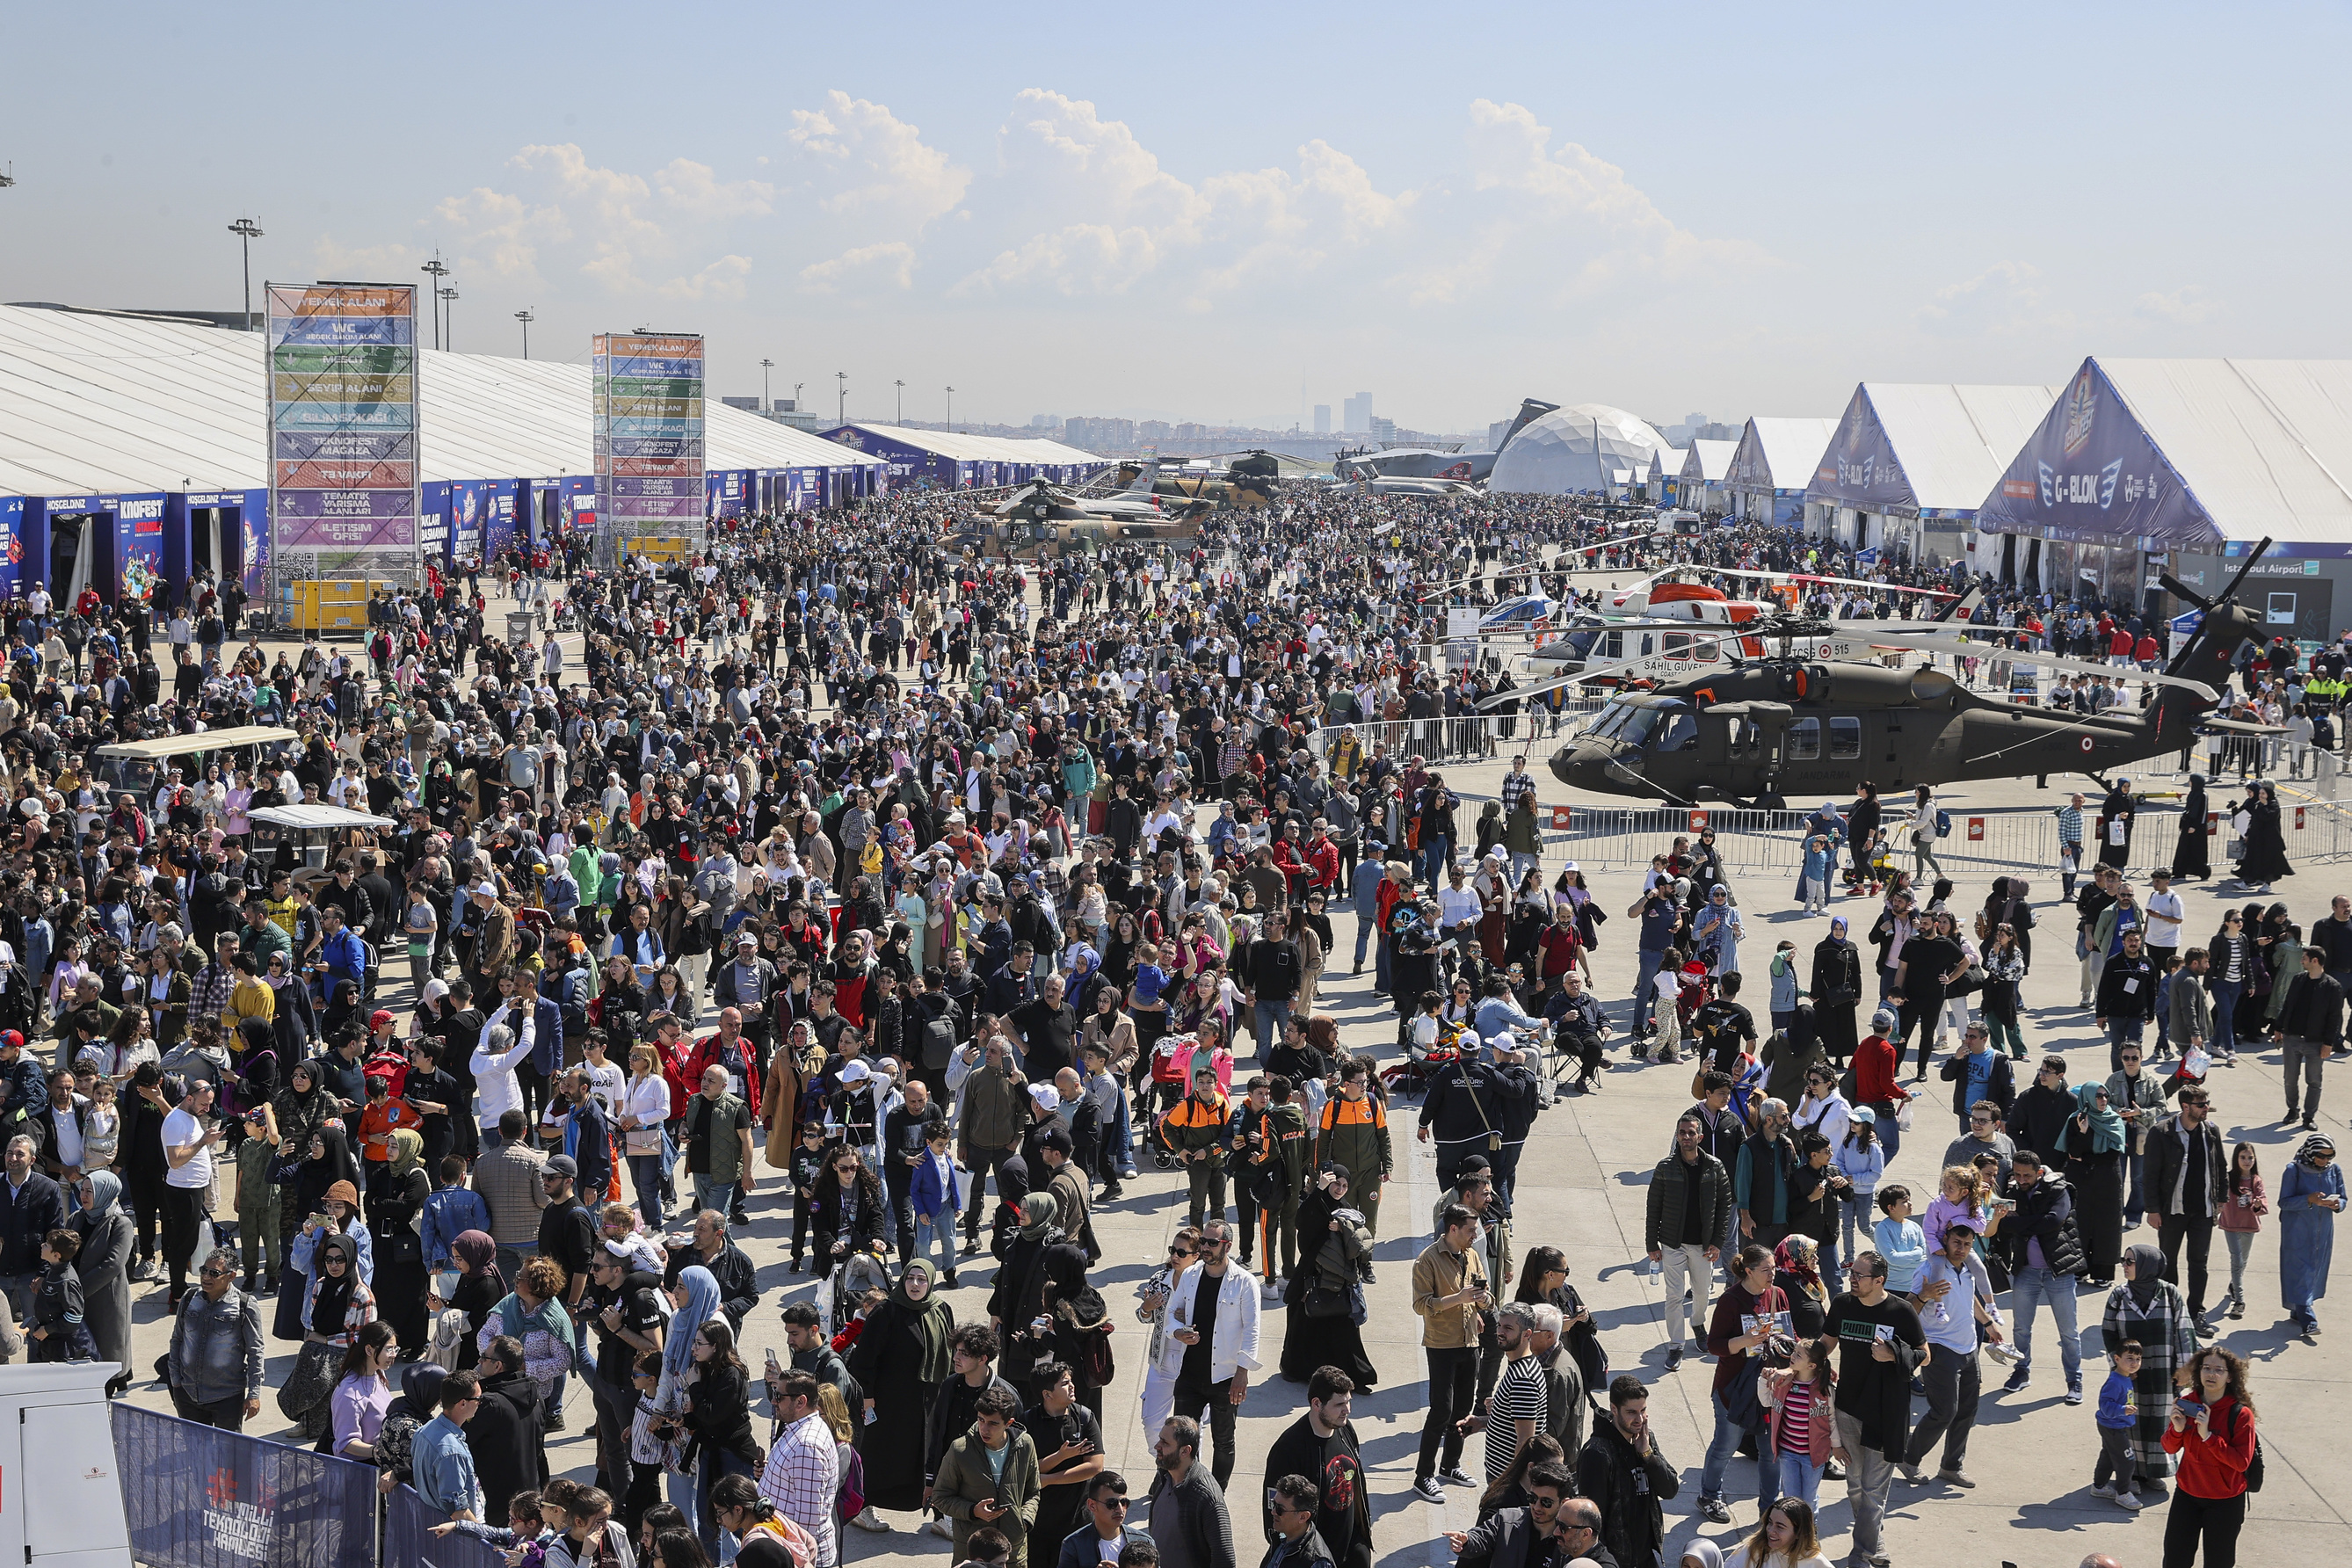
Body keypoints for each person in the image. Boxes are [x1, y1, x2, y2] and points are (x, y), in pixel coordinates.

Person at [1823, 1252, 1924, 1568]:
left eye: (1860, 1275)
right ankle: (1874, 1542)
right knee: (1854, 1482)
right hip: (1848, 1407)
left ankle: (1862, 1552)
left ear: (1879, 1280)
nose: (1853, 1279)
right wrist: (1800, 1359)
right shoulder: (1842, 1304)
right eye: (1852, 1273)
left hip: (1884, 1412)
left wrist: (1893, 1355)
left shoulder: (1901, 1311)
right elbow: (1827, 1342)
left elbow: (1925, 1354)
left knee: (1873, 1488)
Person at [846, 1256, 955, 1514]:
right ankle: (864, 1507)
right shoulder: (888, 1311)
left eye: (921, 1279)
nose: (915, 1285)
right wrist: (868, 1395)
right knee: (882, 1453)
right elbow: (865, 1358)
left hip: (929, 1398)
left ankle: (937, 1511)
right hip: (891, 1401)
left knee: (928, 1452)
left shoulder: (941, 1309)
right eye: (910, 1278)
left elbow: (951, 1352)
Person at [1898, 1220, 2002, 1487]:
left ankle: (1951, 1467)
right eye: (1957, 1242)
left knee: (1967, 1411)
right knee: (1944, 1411)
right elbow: (1907, 1311)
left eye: (1967, 1244)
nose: (1961, 1248)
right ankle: (1908, 1459)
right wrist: (1924, 1295)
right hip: (1939, 1348)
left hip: (1968, 1348)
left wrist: (1988, 1324)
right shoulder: (1929, 1269)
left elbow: (1970, 1299)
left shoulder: (1968, 1269)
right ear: (1945, 1239)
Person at [1161, 1216, 1260, 1491]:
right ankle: (1176, 1487)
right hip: (1190, 1374)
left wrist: (1242, 1374)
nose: (1205, 1247)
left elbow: (1253, 1330)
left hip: (1226, 1377)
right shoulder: (1191, 1276)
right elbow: (1172, 1313)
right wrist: (1178, 1331)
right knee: (1180, 1438)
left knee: (1223, 1440)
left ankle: (1216, 1495)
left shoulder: (1244, 1282)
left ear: (1226, 1246)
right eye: (1203, 1241)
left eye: (1212, 1242)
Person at [2099, 1245, 2199, 1509]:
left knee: (2158, 1422)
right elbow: (2108, 1333)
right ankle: (2131, 1474)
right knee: (2129, 1422)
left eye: (2130, 1261)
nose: (2125, 1265)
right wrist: (2120, 1367)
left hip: (2163, 1374)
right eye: (2125, 1260)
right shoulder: (2119, 1296)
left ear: (2147, 1265)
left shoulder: (2169, 1293)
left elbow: (2184, 1330)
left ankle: (2151, 1471)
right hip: (2129, 1377)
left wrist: (2185, 1368)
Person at [1695, 1245, 1782, 1526]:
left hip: (1768, 1387)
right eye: (1766, 1269)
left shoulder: (1777, 1295)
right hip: (1734, 1387)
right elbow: (1714, 1345)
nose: (1773, 1274)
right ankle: (1709, 1495)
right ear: (1748, 1271)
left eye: (1774, 1268)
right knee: (1725, 1445)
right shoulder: (1730, 1300)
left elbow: (1787, 1333)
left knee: (1771, 1453)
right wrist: (1747, 1340)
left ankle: (1769, 1510)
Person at [1409, 1203, 1489, 1502]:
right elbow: (1421, 1305)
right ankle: (1423, 1475)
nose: (1475, 1235)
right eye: (1470, 1230)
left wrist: (1482, 1300)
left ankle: (1450, 1465)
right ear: (1452, 1229)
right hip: (1441, 1344)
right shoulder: (1426, 1260)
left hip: (1469, 1343)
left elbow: (1486, 1296)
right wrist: (1458, 1298)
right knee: (1441, 1410)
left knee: (1462, 1410)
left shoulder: (1471, 1256)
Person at [1646, 1114, 1731, 1371]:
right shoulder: (1665, 1168)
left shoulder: (1715, 1167)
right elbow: (1654, 1206)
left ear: (1700, 1137)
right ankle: (1676, 1345)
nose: (1686, 1137)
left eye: (1691, 1133)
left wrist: (1717, 1242)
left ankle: (1697, 1322)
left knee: (1702, 1291)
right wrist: (1652, 1244)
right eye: (1682, 1132)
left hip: (1703, 1246)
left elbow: (1724, 1206)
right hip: (1673, 1243)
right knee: (1673, 1295)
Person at [2160, 1346, 2258, 1568]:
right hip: (2187, 1494)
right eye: (2206, 1368)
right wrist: (2176, 1429)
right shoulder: (2188, 1403)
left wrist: (2208, 1437)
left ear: (2230, 1376)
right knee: (2175, 1560)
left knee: (2219, 1562)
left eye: (2218, 1370)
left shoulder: (2240, 1414)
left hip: (2225, 1501)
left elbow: (2241, 1462)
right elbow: (2169, 1448)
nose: (2211, 1374)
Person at [1261, 1367, 1367, 1568]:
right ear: (1317, 1404)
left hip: (1351, 1554)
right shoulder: (1288, 1450)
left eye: (1348, 1401)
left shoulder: (1345, 1429)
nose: (1347, 1410)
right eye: (1339, 1404)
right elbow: (1275, 1515)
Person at [2149, 1086, 2228, 1335]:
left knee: (2199, 1263)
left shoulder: (2211, 1131)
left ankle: (2196, 1314)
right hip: (2173, 1210)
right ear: (2185, 1107)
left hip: (2203, 1211)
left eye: (2206, 1103)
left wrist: (2222, 1200)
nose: (2206, 1108)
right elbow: (2150, 1175)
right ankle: (2170, 1312)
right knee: (2167, 1261)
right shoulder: (2162, 1132)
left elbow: (2221, 1166)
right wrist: (2152, 1209)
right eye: (2201, 1104)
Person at [933, 1385, 1043, 1563]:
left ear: (1008, 1423)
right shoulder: (960, 1450)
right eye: (981, 1420)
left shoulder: (1025, 1445)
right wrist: (972, 1511)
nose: (984, 1429)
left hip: (1012, 1552)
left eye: (993, 1423)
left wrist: (1024, 1520)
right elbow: (940, 1497)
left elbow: (1033, 1492)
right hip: (973, 1552)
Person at [1579, 1374, 1674, 1567]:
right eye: (1631, 1412)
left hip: (1646, 1557)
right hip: (1616, 1561)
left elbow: (1670, 1490)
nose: (1639, 1419)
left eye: (1643, 1410)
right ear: (1614, 1409)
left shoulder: (1646, 1439)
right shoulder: (1597, 1454)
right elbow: (1593, 1521)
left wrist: (1647, 1455)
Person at [167, 1245, 263, 1429]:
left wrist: (254, 1394)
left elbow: (255, 1352)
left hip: (227, 1398)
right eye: (204, 1270)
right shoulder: (189, 1298)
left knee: (228, 1455)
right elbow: (177, 1339)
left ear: (231, 1276)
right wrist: (176, 1381)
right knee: (195, 1452)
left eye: (214, 1273)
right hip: (188, 1394)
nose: (205, 1277)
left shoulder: (245, 1305)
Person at [1025, 1361, 1107, 1568]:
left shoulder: (1084, 1417)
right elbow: (1025, 1471)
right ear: (1047, 1394)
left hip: (1077, 1521)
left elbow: (1095, 1466)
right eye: (1065, 1383)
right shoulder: (1027, 1422)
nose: (1072, 1386)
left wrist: (1048, 1479)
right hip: (1038, 1524)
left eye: (1070, 1381)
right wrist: (1061, 1456)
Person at [2276, 1132, 2343, 1341]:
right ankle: (2309, 1321)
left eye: (2329, 1156)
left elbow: (2344, 1198)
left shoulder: (2334, 1171)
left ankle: (2298, 1310)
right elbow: (2284, 1202)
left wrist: (2337, 1204)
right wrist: (2309, 1200)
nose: (2325, 1161)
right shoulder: (2293, 1170)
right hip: (2297, 1231)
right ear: (2310, 1153)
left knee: (2314, 1271)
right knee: (2300, 1270)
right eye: (2320, 1156)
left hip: (2322, 1233)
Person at [1144, 1417, 1235, 1568]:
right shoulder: (1166, 1476)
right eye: (1160, 1439)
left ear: (1185, 1451)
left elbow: (1225, 1559)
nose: (1157, 1446)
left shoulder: (1206, 1497)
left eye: (1165, 1443)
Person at [1443, 1461, 1571, 1568]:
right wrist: (1467, 1542)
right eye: (1532, 1498)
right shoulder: (1506, 1520)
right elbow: (1481, 1537)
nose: (1537, 1507)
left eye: (1546, 1502)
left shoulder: (1572, 1537)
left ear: (1563, 1503)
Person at [415, 1372, 486, 1522]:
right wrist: (484, 1537)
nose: (480, 1403)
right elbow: (457, 1510)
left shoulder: (423, 1431)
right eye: (479, 1399)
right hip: (457, 1536)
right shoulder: (451, 1452)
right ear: (462, 1403)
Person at [2092, 1338, 2147, 1512]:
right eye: (2129, 1358)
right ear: (2117, 1359)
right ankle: (2123, 1493)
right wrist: (2122, 1410)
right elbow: (2105, 1405)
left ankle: (2099, 1487)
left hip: (2115, 1426)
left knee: (2108, 1456)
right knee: (2127, 1460)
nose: (2134, 1363)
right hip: (2113, 1427)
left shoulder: (2124, 1377)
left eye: (2138, 1359)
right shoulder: (2114, 1382)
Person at [1724, 1497, 1833, 1568]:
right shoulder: (1752, 1552)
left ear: (1799, 1533)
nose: (1770, 1530)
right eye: (1770, 1523)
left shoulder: (1814, 1562)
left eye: (1780, 1527)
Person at [1259, 1474, 1332, 1568]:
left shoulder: (1317, 1563)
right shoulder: (1282, 1537)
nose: (1273, 1512)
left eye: (1280, 1509)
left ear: (1303, 1517)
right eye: (1274, 1504)